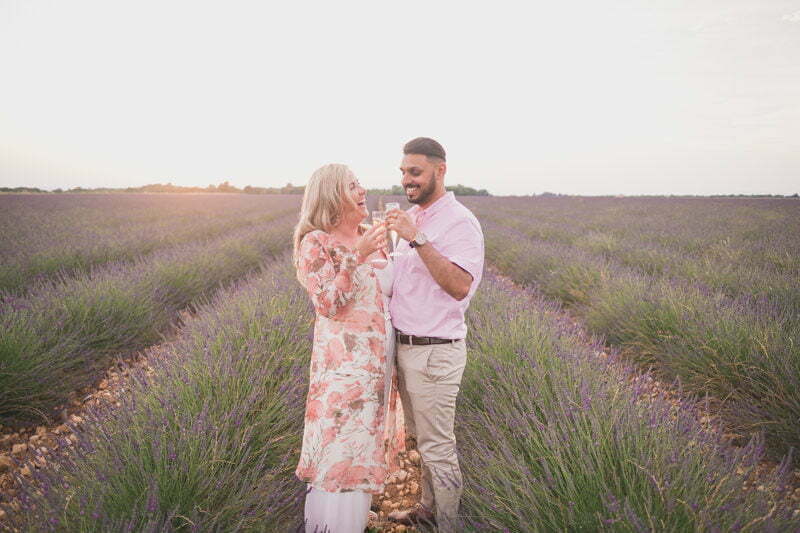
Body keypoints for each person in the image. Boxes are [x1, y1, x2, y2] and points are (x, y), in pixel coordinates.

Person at [293, 163, 404, 533]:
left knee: (365, 452)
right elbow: (328, 303)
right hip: (343, 373)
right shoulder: (316, 243)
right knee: (341, 455)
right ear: (331, 196)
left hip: (378, 367)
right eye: (352, 185)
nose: (362, 190)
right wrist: (355, 255)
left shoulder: (370, 236)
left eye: (360, 183)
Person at [385, 137, 485, 532]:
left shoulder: (459, 222)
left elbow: (460, 285)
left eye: (415, 172)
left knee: (438, 448)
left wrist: (415, 238)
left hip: (434, 353)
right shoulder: (420, 216)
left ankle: (447, 525)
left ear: (439, 171)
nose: (407, 180)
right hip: (408, 349)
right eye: (403, 172)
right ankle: (427, 510)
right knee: (420, 442)